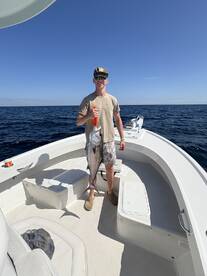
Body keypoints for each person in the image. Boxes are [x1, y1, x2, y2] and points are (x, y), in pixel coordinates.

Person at [76, 67, 125, 210]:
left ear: (107, 80)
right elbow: (78, 121)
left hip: (109, 140)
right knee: (93, 169)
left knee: (109, 168)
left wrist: (122, 138)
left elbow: (118, 119)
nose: (100, 80)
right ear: (93, 80)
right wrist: (89, 116)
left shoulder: (113, 99)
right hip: (93, 141)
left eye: (103, 77)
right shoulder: (87, 100)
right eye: (97, 77)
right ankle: (91, 193)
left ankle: (109, 192)